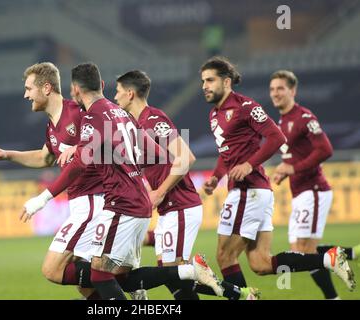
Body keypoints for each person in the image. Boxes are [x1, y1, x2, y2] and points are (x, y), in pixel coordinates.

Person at [20, 62, 226, 300]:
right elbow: (158, 153)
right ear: (103, 85)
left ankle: (190, 271)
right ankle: (188, 273)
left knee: (99, 275)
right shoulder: (121, 115)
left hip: (121, 203)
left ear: (75, 89)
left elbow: (78, 165)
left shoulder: (92, 116)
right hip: (137, 203)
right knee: (118, 278)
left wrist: (43, 198)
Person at [200, 56, 356, 292]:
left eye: (210, 80)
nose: (205, 86)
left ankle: (244, 298)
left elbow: (276, 137)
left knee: (225, 256)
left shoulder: (245, 106)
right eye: (203, 81)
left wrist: (250, 164)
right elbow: (226, 152)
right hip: (254, 192)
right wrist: (216, 176)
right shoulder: (214, 115)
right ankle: (328, 259)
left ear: (227, 82)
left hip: (248, 191)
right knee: (261, 263)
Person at [114, 69, 259, 300]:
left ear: (130, 93)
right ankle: (239, 294)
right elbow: (148, 168)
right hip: (169, 210)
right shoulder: (135, 125)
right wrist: (149, 189)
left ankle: (237, 294)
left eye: (118, 91)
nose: (115, 97)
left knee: (174, 275)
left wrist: (160, 192)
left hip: (180, 206)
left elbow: (186, 157)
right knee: (173, 279)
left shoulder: (154, 119)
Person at [0, 62, 104, 299]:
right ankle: (127, 280)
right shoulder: (52, 126)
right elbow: (45, 157)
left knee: (52, 269)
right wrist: (8, 155)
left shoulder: (77, 113)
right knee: (87, 285)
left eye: (29, 88)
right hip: (81, 203)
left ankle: (131, 279)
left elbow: (102, 141)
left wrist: (43, 198)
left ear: (46, 88)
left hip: (93, 201)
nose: (26, 95)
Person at [270, 69, 360, 299]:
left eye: (280, 88)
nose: (275, 93)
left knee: (303, 251)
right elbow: (297, 156)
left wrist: (293, 168)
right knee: (302, 252)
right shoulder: (283, 120)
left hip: (314, 190)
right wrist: (285, 172)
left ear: (293, 90)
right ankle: (350, 253)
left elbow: (325, 149)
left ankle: (333, 296)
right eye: (272, 89)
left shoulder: (304, 117)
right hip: (300, 191)